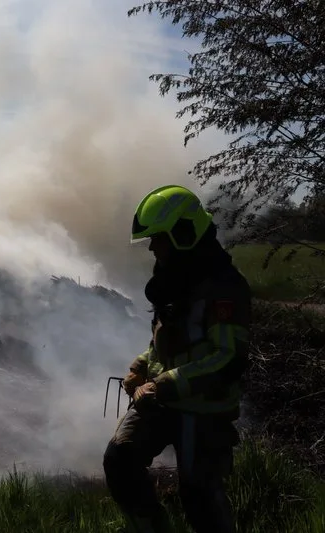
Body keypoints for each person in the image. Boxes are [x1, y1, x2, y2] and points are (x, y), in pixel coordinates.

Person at [103, 185, 252, 533]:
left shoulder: (224, 288)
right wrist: (140, 366)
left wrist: (163, 385)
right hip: (163, 401)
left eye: (158, 238)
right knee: (120, 459)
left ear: (184, 234)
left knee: (200, 497)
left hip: (204, 409)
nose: (152, 247)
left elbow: (228, 358)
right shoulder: (172, 280)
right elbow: (166, 344)